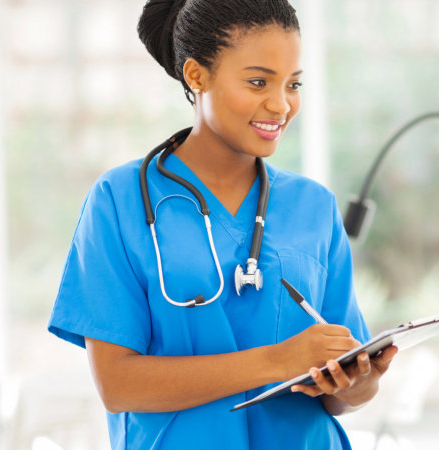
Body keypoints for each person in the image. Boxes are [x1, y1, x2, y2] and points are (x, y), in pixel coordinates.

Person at [47, 1, 397, 448]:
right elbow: (118, 385)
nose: (281, 104)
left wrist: (357, 381)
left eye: (294, 84)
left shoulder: (313, 206)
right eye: (257, 82)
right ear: (197, 75)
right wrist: (279, 360)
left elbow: (344, 394)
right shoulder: (119, 200)